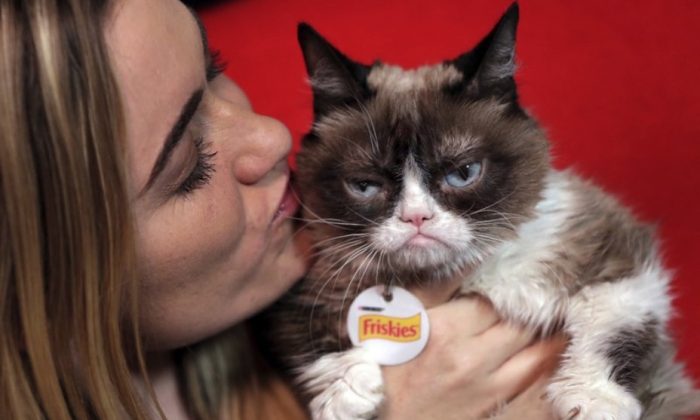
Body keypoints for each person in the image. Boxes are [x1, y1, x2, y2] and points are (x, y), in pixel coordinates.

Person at [0, 0, 565, 418]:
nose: (273, 138)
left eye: (215, 70)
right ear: (37, 290)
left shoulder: (308, 305)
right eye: (187, 166)